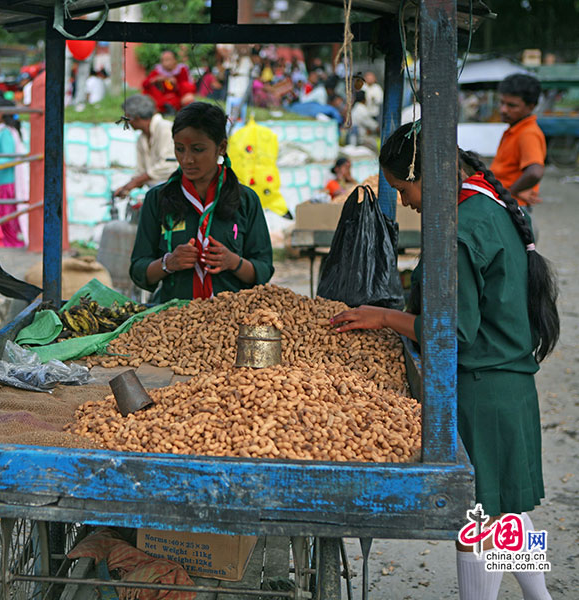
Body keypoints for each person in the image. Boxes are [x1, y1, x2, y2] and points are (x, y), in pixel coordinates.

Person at [331, 122, 558, 600]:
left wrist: (384, 317)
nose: (408, 202)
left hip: (482, 387)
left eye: (404, 189)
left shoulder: (460, 230)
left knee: (475, 516)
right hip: (509, 383)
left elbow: (450, 333)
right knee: (504, 508)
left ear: (427, 173)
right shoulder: (485, 202)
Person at [129, 102, 275, 301]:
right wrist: (168, 263)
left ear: (221, 147)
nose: (187, 159)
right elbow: (138, 270)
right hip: (172, 321)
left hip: (230, 319)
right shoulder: (157, 199)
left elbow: (264, 269)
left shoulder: (245, 200)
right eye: (180, 149)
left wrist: (234, 262)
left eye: (197, 149)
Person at [490, 74, 546, 208]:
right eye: (502, 102)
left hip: (512, 205)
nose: (503, 110)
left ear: (531, 107)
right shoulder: (515, 129)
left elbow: (535, 171)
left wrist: (511, 192)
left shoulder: (528, 133)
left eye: (512, 105)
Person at [113, 95, 176, 199]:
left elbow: (168, 165)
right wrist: (126, 187)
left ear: (136, 117)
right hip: (157, 193)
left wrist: (135, 182)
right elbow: (142, 171)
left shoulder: (164, 128)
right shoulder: (142, 138)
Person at [0, 98, 29, 247]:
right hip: (4, 181)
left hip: (4, 183)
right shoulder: (8, 131)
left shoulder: (5, 133)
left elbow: (7, 158)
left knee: (5, 219)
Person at [142, 50, 196, 115]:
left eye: (168, 60)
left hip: (177, 98)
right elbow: (145, 84)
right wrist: (155, 80)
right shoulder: (157, 71)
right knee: (149, 91)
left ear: (175, 60)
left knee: (188, 97)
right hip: (161, 99)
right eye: (162, 60)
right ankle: (163, 109)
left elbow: (187, 87)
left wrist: (176, 84)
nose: (165, 63)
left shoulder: (181, 70)